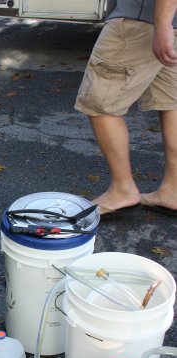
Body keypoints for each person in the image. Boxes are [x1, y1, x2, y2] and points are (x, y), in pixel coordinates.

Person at [75, 0, 177, 216]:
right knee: (172, 103)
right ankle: (173, 191)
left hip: (141, 18)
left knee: (99, 102)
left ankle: (123, 189)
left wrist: (162, 24)